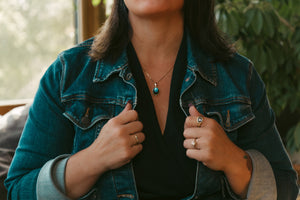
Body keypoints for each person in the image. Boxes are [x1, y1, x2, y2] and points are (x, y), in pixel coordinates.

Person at [5, 0, 298, 199]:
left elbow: (285, 188)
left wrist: (234, 161)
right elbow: (18, 189)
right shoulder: (68, 74)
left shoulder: (239, 75)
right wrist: (93, 160)